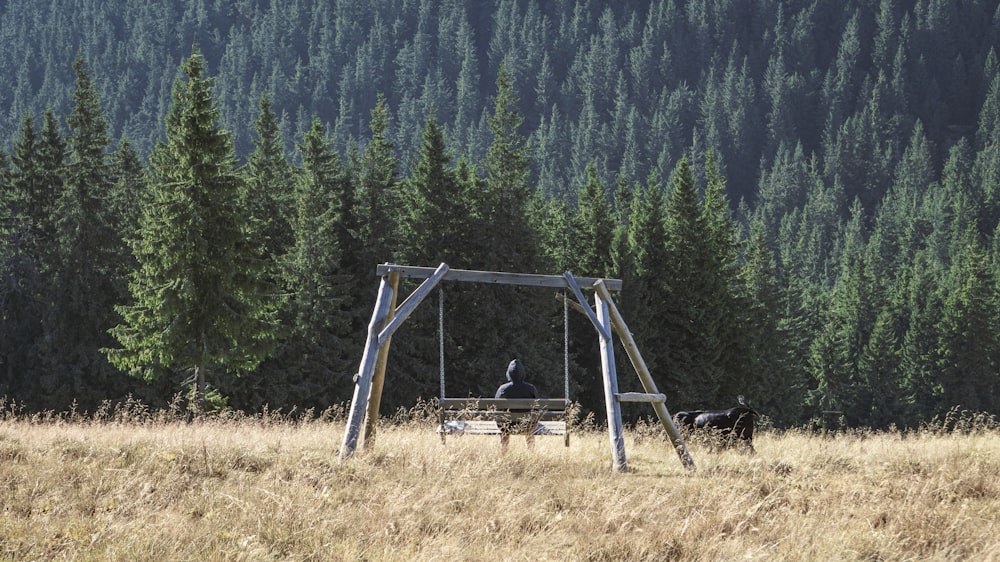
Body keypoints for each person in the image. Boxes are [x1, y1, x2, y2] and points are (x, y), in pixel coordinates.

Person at [495, 358, 538, 453]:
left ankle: (503, 452)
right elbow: (536, 408)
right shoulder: (530, 388)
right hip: (527, 425)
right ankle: (531, 452)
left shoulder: (503, 389)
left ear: (508, 373)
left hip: (507, 425)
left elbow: (497, 408)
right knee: (530, 424)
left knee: (503, 424)